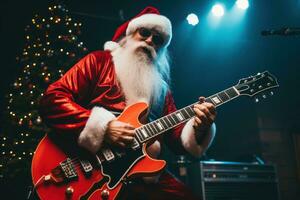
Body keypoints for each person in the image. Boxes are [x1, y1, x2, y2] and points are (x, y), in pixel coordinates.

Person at [39, 6, 216, 200]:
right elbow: (52, 99)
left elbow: (177, 140)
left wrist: (200, 128)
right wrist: (105, 127)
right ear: (131, 34)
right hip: (88, 166)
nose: (149, 41)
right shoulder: (98, 62)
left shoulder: (161, 90)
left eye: (157, 40)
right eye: (145, 33)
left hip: (140, 172)